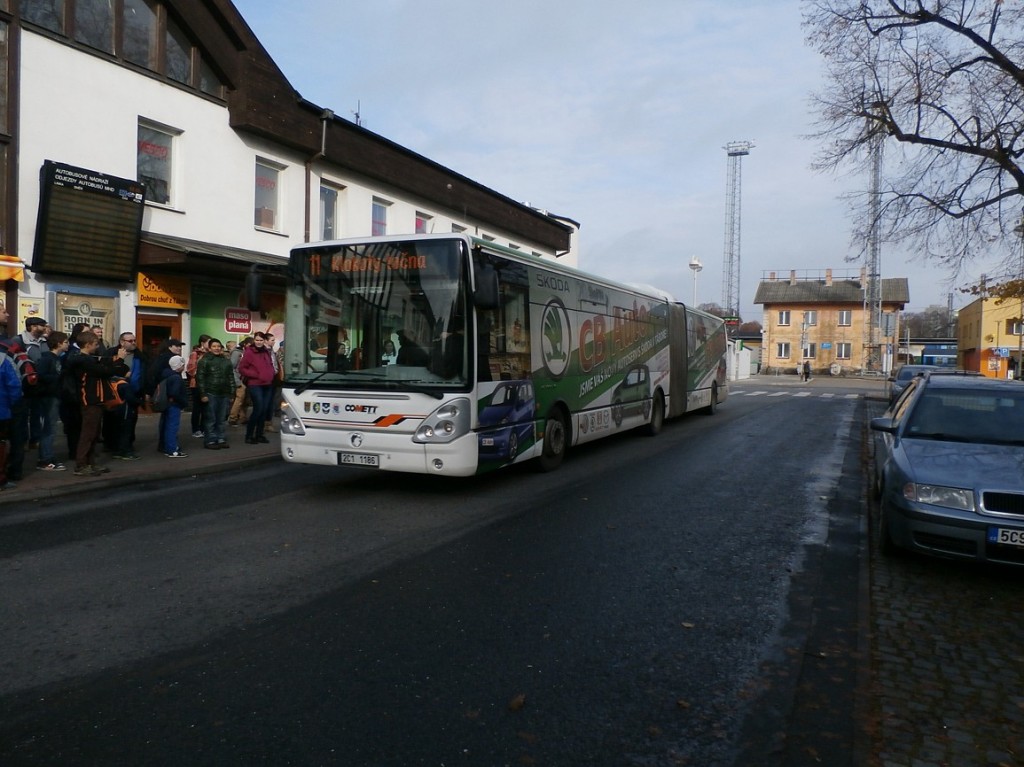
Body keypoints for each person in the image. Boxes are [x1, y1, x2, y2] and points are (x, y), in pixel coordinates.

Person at [65, 330, 124, 477]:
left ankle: (90, 462)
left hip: (96, 399)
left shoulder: (87, 359)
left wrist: (114, 359)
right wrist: (119, 360)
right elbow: (103, 371)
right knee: (88, 433)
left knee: (94, 433)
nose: (97, 347)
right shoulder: (82, 361)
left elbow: (103, 365)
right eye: (95, 344)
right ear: (87, 344)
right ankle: (81, 464)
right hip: (89, 400)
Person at [102, 331, 146, 460]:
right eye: (130, 341)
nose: (133, 343)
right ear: (122, 342)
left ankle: (126, 445)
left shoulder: (140, 356)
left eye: (134, 340)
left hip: (134, 390)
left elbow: (143, 374)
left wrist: (144, 392)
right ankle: (115, 446)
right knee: (114, 421)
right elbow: (106, 370)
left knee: (130, 421)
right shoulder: (111, 353)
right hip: (116, 392)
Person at [34, 331, 69, 471]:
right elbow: (41, 376)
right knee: (48, 429)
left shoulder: (57, 358)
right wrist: (58, 378)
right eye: (66, 342)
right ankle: (45, 459)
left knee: (51, 428)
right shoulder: (47, 358)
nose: (68, 344)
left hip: (54, 396)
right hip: (48, 397)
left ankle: (48, 456)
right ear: (59, 343)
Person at [236, 331, 276, 445]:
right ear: (254, 340)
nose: (259, 342)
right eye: (257, 340)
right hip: (255, 384)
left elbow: (270, 365)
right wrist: (256, 374)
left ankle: (259, 435)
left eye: (261, 340)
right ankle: (249, 435)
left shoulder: (266, 351)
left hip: (268, 384)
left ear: (264, 341)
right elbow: (242, 368)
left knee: (264, 410)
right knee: (258, 409)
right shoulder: (249, 352)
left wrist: (271, 373)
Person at [195, 338, 234, 449]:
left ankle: (221, 438)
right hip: (210, 393)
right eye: (214, 346)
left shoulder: (226, 361)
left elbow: (231, 377)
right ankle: (210, 440)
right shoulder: (204, 361)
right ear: (210, 348)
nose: (217, 348)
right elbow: (200, 378)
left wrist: (232, 393)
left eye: (218, 346)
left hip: (224, 393)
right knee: (210, 418)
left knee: (222, 418)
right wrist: (203, 394)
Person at [159, 355, 190, 458]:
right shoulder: (176, 378)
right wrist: (184, 402)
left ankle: (166, 446)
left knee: (166, 426)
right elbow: (174, 393)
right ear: (179, 366)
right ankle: (172, 449)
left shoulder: (166, 375)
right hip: (174, 405)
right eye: (182, 364)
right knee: (172, 427)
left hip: (166, 404)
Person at [0, 352, 22, 490]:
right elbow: (14, 385)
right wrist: (12, 404)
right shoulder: (3, 360)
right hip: (2, 410)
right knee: (1, 444)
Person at [186, 335, 211, 438]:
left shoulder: (210, 354)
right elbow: (190, 369)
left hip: (208, 384)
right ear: (202, 343)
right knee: (197, 408)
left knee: (207, 408)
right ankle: (195, 429)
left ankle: (204, 428)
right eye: (208, 343)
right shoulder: (195, 354)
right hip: (196, 384)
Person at [228, 336, 251, 426]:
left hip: (244, 379)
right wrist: (237, 381)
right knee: (240, 397)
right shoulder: (237, 353)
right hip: (238, 379)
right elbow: (232, 368)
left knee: (245, 399)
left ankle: (242, 417)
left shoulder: (245, 353)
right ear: (245, 344)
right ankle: (232, 418)